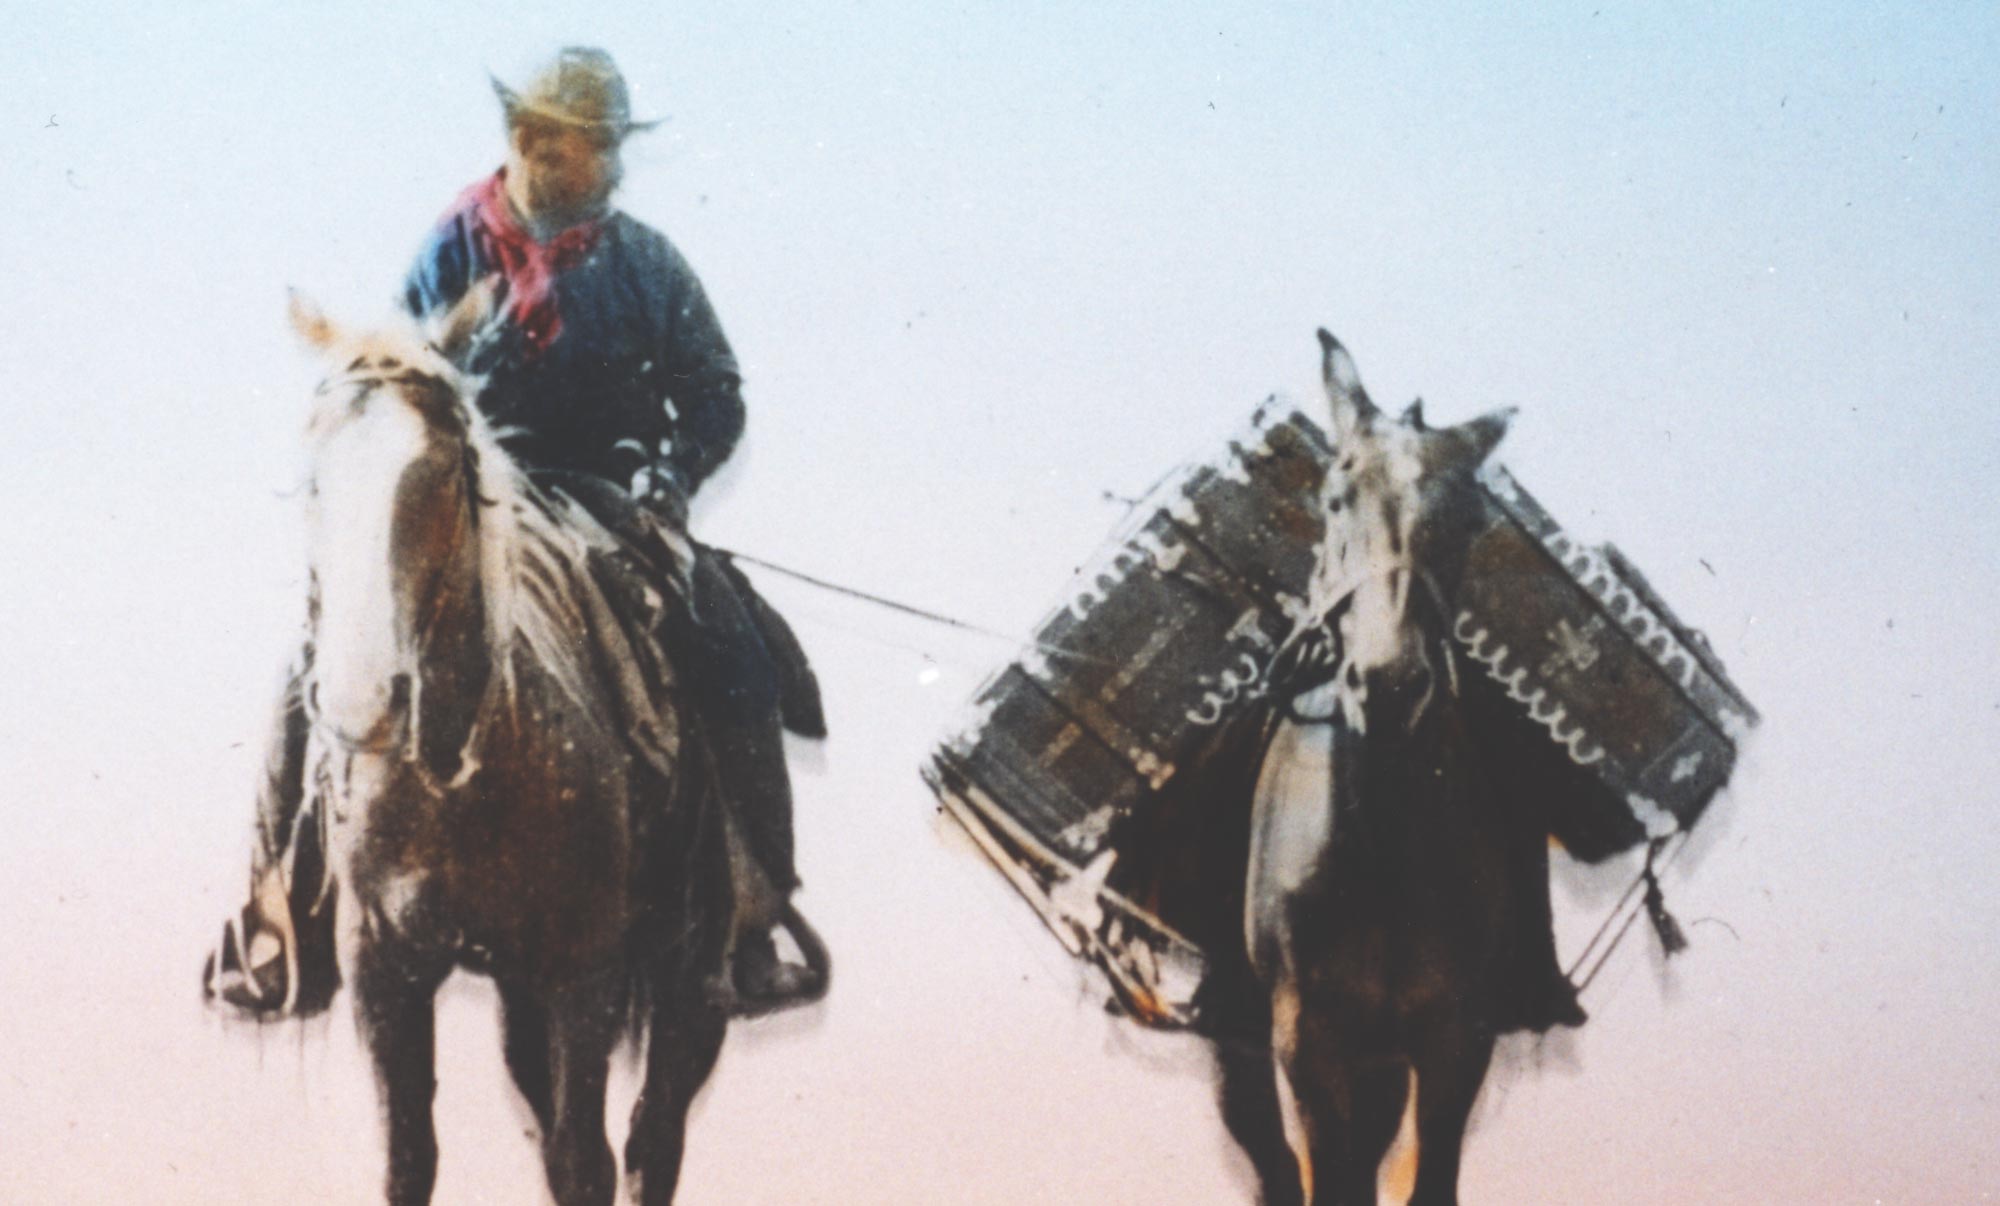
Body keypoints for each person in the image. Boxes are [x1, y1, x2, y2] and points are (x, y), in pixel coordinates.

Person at [206, 46, 827, 1018]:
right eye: (598, 149)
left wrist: (669, 478)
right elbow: (396, 389)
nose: (613, 170)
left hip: (607, 501)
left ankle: (751, 919)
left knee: (738, 647)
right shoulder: (448, 247)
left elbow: (716, 393)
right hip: (472, 505)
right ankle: (275, 917)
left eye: (615, 149)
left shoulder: (646, 262)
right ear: (533, 142)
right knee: (311, 666)